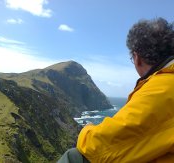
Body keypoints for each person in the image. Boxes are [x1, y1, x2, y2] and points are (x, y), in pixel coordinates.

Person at [58, 17, 174, 163]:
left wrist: (86, 129)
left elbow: (99, 147)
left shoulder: (162, 88)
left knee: (74, 156)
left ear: (137, 58)